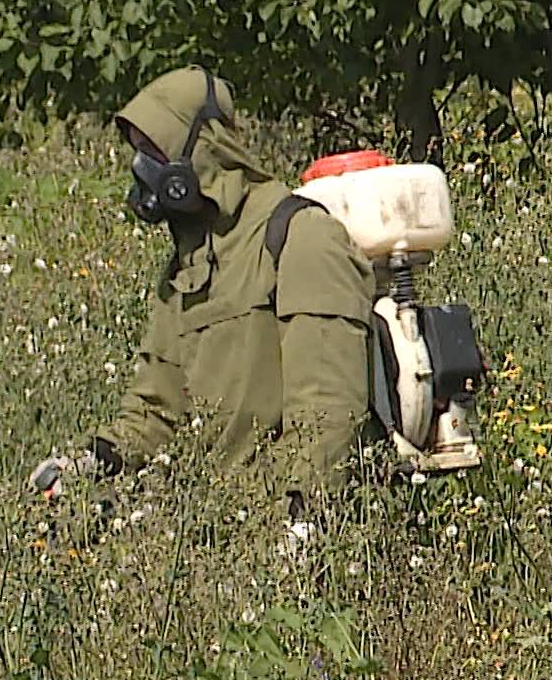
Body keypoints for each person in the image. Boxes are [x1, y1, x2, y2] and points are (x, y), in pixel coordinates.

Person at [27, 65, 376, 524]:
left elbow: (326, 410)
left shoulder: (300, 236)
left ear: (202, 148)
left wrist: (303, 528)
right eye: (138, 153)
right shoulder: (186, 267)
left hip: (276, 526)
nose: (142, 169)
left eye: (154, 151)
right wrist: (87, 464)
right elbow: (156, 412)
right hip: (207, 525)